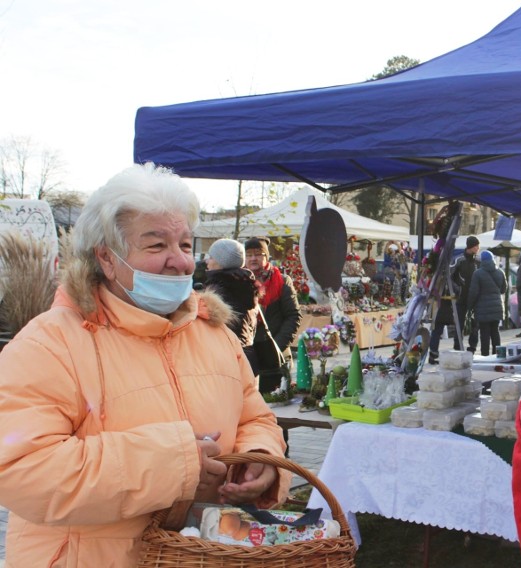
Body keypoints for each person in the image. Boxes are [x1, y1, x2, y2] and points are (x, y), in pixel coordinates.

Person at [0, 163, 289, 566]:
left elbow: (254, 418)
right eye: (156, 246)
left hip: (201, 555)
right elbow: (21, 470)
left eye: (186, 246)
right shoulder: (49, 343)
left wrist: (259, 459)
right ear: (106, 258)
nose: (179, 262)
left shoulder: (214, 334)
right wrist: (174, 463)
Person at [203, 238, 262, 375]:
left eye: (211, 257)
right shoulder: (246, 285)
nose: (207, 261)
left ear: (221, 262)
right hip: (247, 358)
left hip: (225, 362)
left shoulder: (218, 290)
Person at [244, 237, 302, 367]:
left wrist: (276, 346)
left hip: (277, 352)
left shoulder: (282, 281)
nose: (253, 258)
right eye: (249, 255)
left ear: (266, 257)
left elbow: (293, 316)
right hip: (246, 354)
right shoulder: (239, 281)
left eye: (258, 254)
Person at [467, 250, 507, 357]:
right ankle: (498, 355)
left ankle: (485, 356)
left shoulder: (477, 274)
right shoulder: (500, 272)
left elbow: (473, 293)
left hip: (482, 308)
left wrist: (469, 306)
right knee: (495, 331)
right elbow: (504, 289)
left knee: (484, 333)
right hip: (497, 306)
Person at [451, 235, 480, 353]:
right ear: (470, 246)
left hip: (475, 298)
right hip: (461, 297)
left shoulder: (479, 261)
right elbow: (450, 276)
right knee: (459, 322)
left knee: (475, 324)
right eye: (476, 245)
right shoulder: (459, 260)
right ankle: (457, 345)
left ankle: (472, 347)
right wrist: (458, 288)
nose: (478, 248)